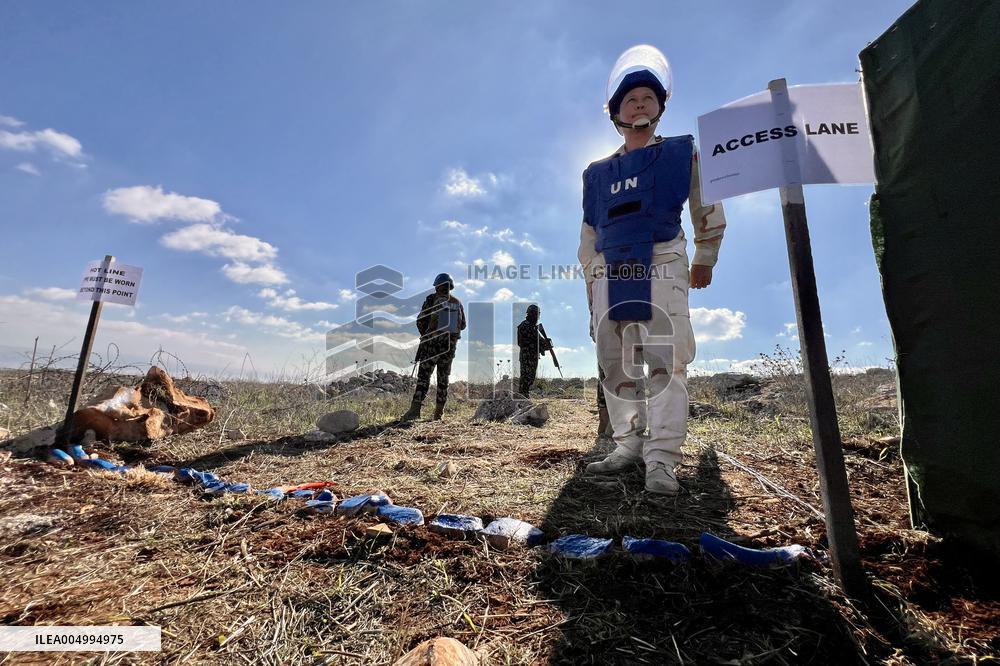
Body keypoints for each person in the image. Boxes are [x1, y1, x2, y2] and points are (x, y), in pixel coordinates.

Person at [578, 44, 726, 494]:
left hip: (661, 260)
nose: (639, 105)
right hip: (609, 271)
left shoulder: (683, 153)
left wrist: (704, 257)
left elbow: (707, 205)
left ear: (660, 106)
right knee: (613, 361)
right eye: (630, 100)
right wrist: (592, 281)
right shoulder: (597, 172)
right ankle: (629, 445)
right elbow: (588, 233)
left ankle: (662, 460)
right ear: (616, 112)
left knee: (665, 361)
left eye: (647, 98)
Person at [401, 273, 466, 421]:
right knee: (443, 379)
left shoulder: (432, 299)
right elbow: (463, 325)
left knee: (424, 377)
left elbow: (420, 320)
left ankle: (414, 411)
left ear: (437, 285)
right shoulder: (457, 302)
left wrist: (426, 335)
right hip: (449, 347)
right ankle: (438, 413)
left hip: (431, 345)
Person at [516, 304, 552, 397]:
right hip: (527, 356)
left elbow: (540, 342)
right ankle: (523, 395)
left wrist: (547, 344)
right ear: (531, 314)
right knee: (526, 377)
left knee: (531, 377)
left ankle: (525, 395)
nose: (537, 316)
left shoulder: (534, 328)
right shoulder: (524, 325)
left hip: (533, 356)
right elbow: (522, 342)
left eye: (538, 314)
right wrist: (539, 346)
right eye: (536, 314)